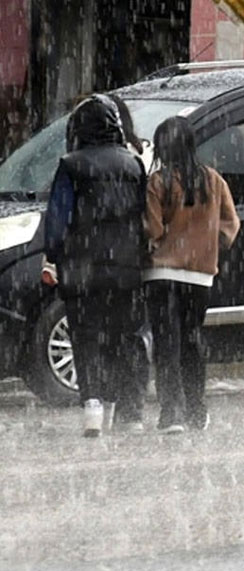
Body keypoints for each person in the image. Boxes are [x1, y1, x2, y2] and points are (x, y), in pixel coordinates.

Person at [43, 94, 149, 437]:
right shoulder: (134, 165)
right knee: (126, 337)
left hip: (82, 268)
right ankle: (130, 411)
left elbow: (59, 219)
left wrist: (54, 255)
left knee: (86, 337)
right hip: (127, 268)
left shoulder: (71, 165)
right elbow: (144, 218)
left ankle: (93, 405)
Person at [143, 116, 240, 434]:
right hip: (199, 275)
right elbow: (231, 222)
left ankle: (172, 412)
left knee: (166, 342)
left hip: (162, 273)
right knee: (191, 340)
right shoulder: (213, 180)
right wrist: (213, 246)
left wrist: (158, 245)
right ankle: (197, 409)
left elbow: (153, 229)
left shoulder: (158, 182)